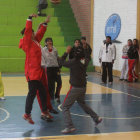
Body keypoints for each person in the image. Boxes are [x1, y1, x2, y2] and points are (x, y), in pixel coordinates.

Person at [58, 46, 102, 134]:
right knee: (82, 103)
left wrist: (66, 52)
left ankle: (69, 126)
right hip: (83, 87)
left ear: (74, 54)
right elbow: (87, 56)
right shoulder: (85, 61)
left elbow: (61, 62)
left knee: (65, 107)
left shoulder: (73, 62)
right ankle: (96, 118)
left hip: (76, 88)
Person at [19, 14, 51, 124]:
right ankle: (27, 114)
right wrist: (29, 18)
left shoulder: (35, 41)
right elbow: (28, 31)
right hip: (32, 73)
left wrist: (45, 23)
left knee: (41, 92)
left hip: (37, 72)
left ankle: (44, 111)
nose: (33, 33)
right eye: (31, 32)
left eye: (33, 32)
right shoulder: (27, 43)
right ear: (27, 35)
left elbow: (40, 33)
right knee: (32, 93)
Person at [42, 37, 62, 103]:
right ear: (45, 43)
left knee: (59, 82)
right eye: (48, 41)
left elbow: (57, 57)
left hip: (56, 68)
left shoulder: (55, 49)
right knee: (51, 85)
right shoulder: (43, 50)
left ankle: (57, 96)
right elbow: (43, 59)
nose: (50, 42)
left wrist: (59, 66)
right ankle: (51, 97)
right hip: (48, 69)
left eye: (50, 41)